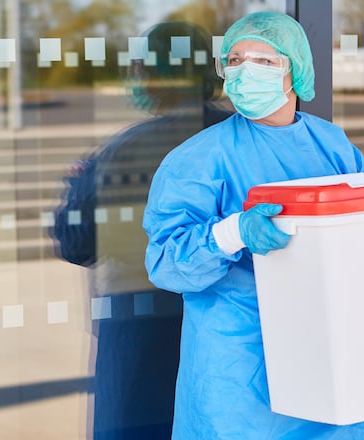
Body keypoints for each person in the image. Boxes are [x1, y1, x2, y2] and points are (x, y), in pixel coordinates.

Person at [142, 11, 364, 439]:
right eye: (236, 60)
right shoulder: (199, 159)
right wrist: (233, 232)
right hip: (241, 367)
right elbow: (166, 262)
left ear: (295, 71)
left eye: (264, 62)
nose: (245, 73)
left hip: (328, 347)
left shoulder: (333, 146)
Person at [51, 21, 230, 438]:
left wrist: (76, 186)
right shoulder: (242, 139)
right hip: (223, 314)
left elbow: (75, 242)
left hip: (138, 322)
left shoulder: (123, 150)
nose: (134, 75)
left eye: (139, 65)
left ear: (160, 72)